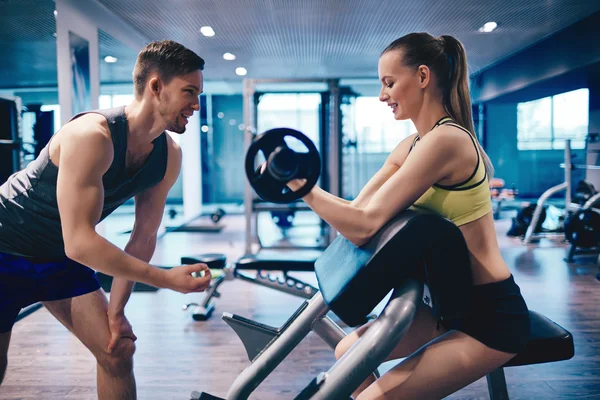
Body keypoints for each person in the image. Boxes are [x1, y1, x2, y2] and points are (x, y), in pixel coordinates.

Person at [286, 33, 530, 399]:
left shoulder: (446, 141)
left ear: (422, 77)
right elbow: (357, 214)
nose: (382, 95)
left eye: (389, 83)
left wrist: (303, 188)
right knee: (346, 354)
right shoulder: (412, 145)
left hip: (488, 315)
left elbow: (365, 226)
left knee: (370, 396)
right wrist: (299, 181)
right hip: (440, 306)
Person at [0, 40, 212, 399]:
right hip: (5, 247)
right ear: (156, 86)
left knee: (118, 352)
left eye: (198, 93)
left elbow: (143, 237)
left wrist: (117, 310)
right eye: (189, 92)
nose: (195, 104)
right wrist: (164, 279)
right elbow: (80, 241)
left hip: (59, 257)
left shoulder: (168, 156)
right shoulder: (92, 136)